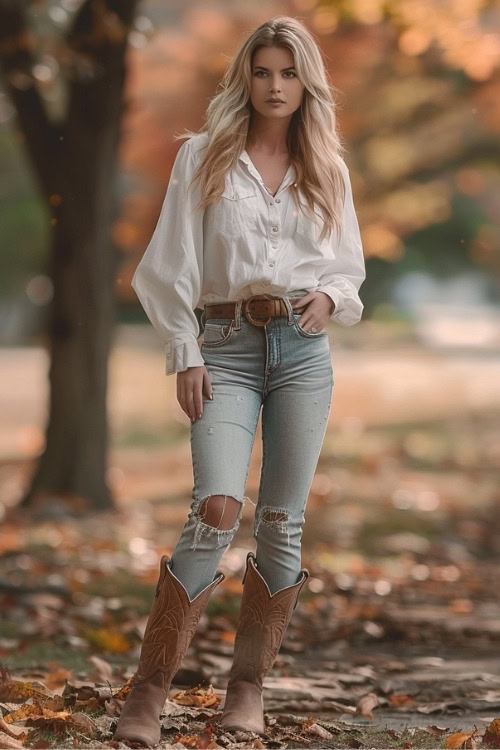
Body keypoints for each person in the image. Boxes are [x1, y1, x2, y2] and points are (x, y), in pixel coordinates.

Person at [114, 15, 366, 748]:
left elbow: (347, 267)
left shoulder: (328, 166)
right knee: (217, 507)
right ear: (245, 78)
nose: (276, 86)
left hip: (303, 352)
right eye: (263, 72)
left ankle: (246, 690)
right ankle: (148, 693)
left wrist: (331, 297)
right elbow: (166, 267)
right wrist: (185, 351)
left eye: (289, 73)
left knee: (282, 524)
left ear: (306, 81)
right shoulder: (202, 157)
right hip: (222, 346)